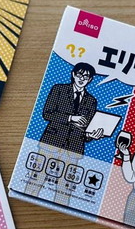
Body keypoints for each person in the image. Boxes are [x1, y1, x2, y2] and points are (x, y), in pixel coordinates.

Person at [24, 62, 103, 205]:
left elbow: (84, 129)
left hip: (74, 148)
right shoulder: (59, 89)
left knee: (65, 187)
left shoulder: (91, 101)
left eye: (86, 77)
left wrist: (90, 136)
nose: (82, 79)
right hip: (51, 142)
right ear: (73, 74)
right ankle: (26, 199)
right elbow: (47, 113)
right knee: (37, 178)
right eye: (79, 74)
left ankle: (61, 207)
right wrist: (71, 118)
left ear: (90, 79)